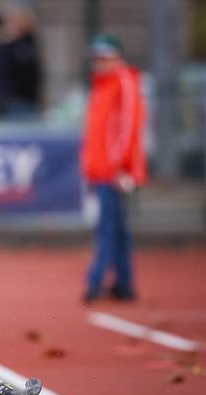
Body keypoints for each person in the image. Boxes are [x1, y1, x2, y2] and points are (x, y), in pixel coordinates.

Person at [80, 35, 146, 302]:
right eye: (97, 59)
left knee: (107, 228)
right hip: (101, 169)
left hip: (113, 171)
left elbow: (128, 127)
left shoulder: (124, 82)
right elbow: (96, 133)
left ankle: (95, 281)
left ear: (117, 58)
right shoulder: (100, 86)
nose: (100, 63)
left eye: (105, 58)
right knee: (117, 228)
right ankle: (124, 283)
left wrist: (121, 166)